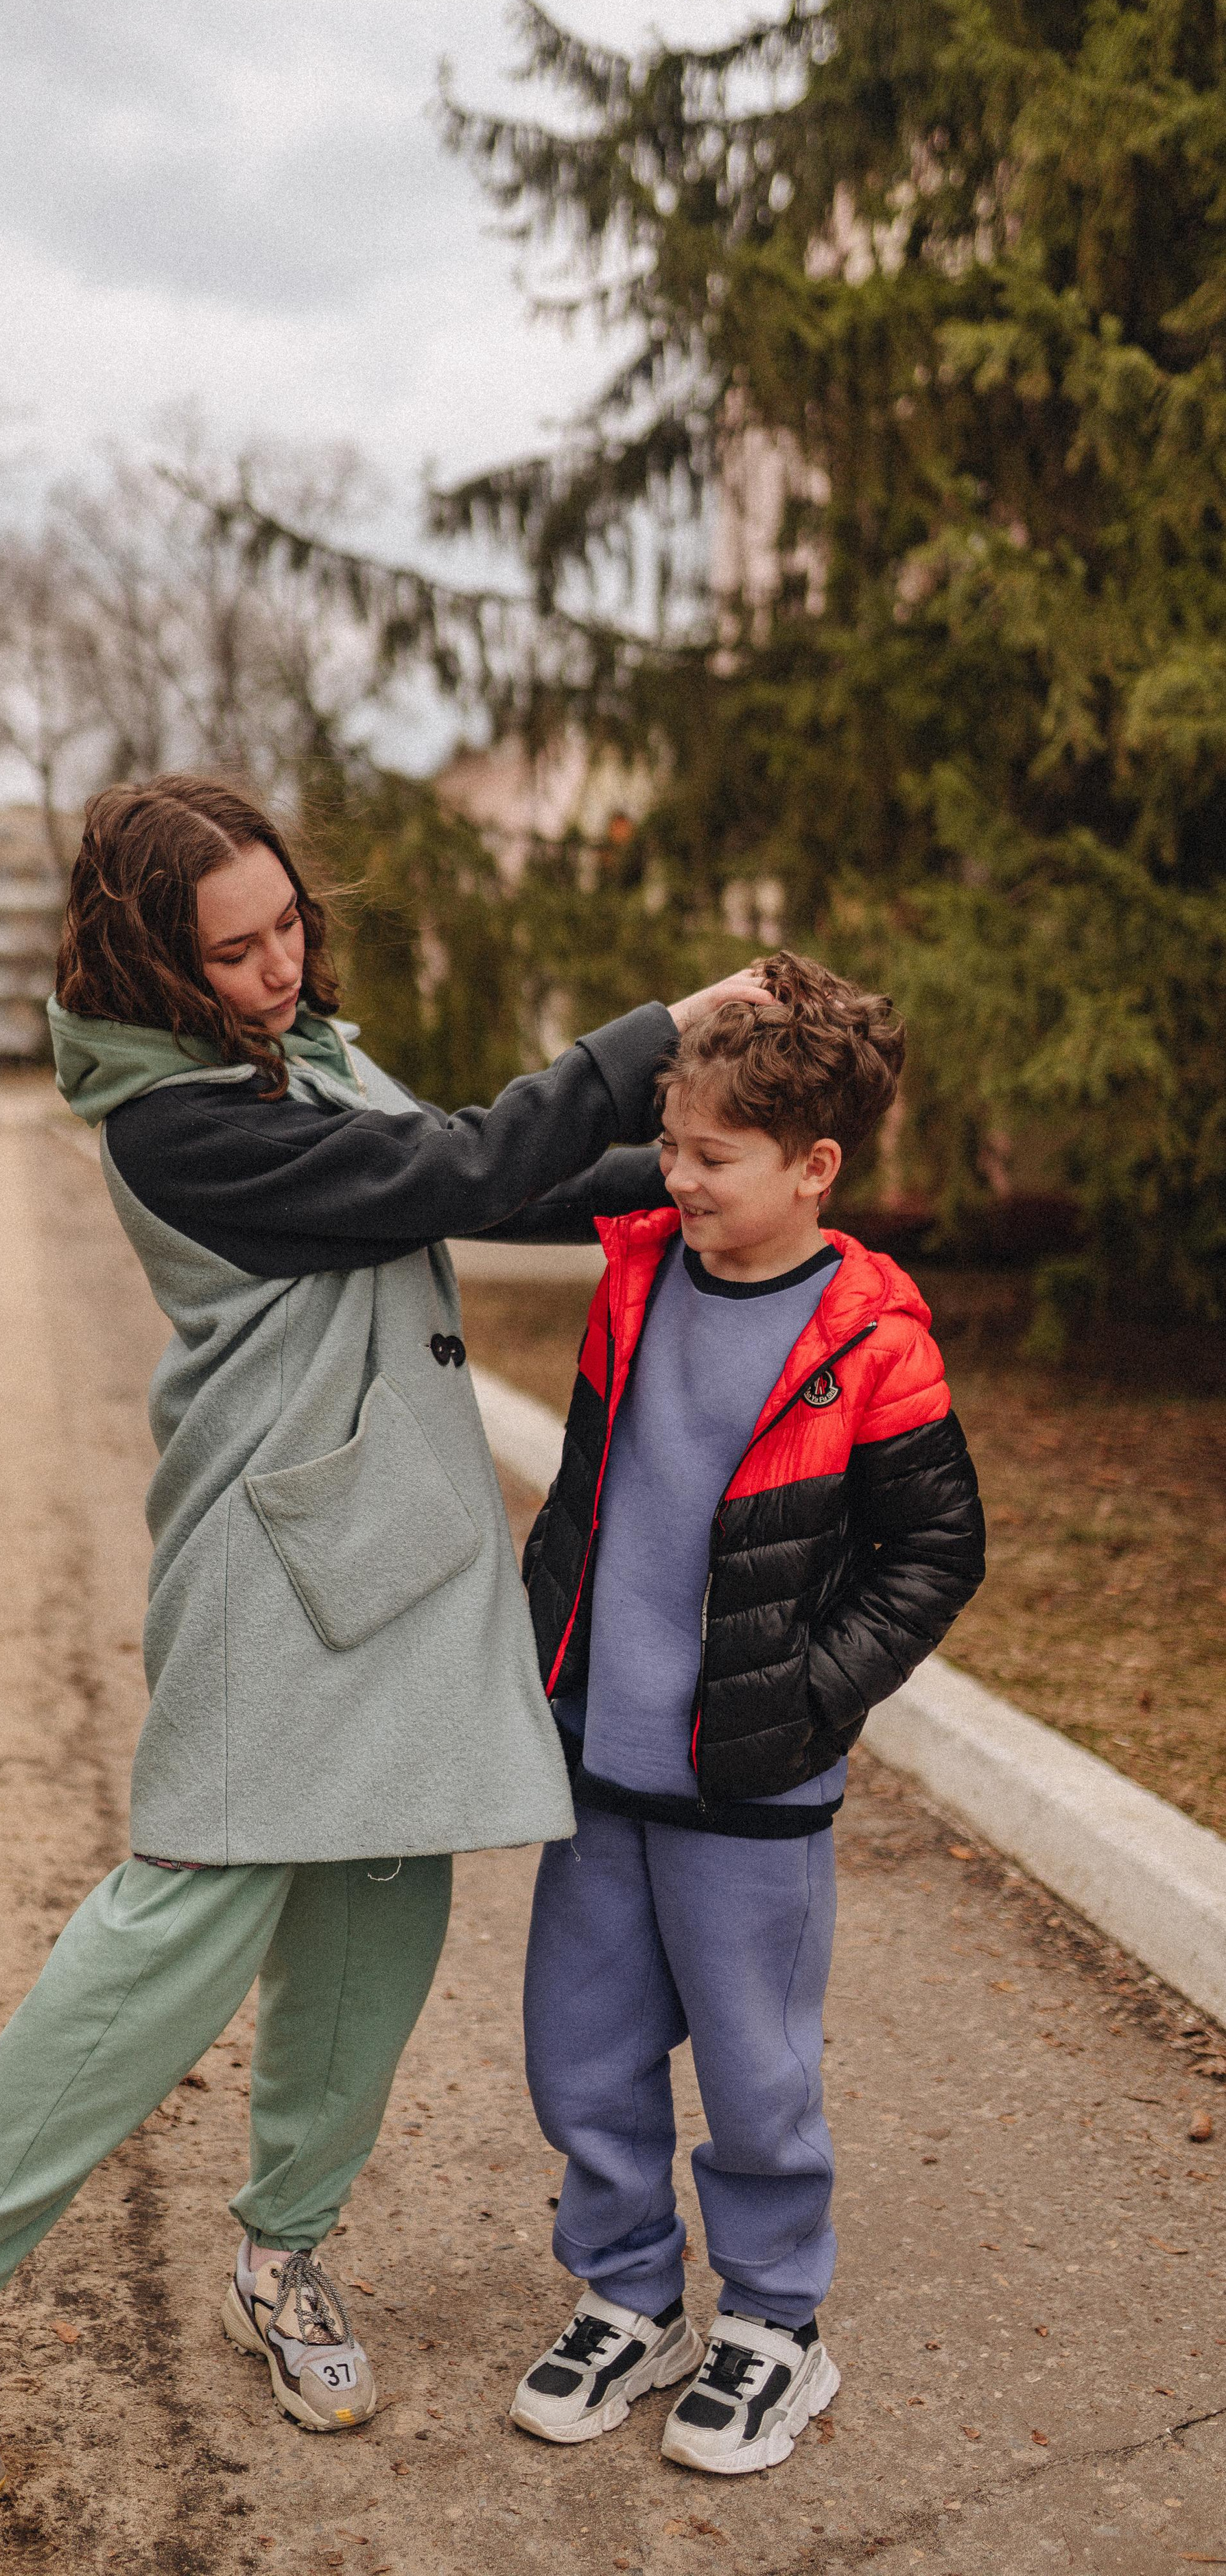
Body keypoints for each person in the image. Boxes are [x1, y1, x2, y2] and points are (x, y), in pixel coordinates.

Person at [0, 769, 770, 2511]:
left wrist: (699, 1182)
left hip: (391, 1564)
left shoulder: (301, 1057)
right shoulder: (173, 1119)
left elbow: (455, 1178)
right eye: (229, 955)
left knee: (385, 1911)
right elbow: (449, 1162)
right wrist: (656, 1042)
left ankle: (280, 2249)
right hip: (268, 1574)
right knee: (176, 1928)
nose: (274, 970)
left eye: (286, 927)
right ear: (156, 968)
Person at [510, 952, 985, 2477]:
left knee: (753, 2070)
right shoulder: (639, 1260)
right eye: (670, 1147)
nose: (676, 1176)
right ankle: (630, 2296)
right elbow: (481, 1159)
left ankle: (774, 2321)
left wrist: (809, 1700)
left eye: (711, 1157)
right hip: (594, 1758)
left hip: (751, 1786)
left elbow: (936, 1550)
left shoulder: (870, 1337)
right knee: (580, 2053)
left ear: (811, 1167)